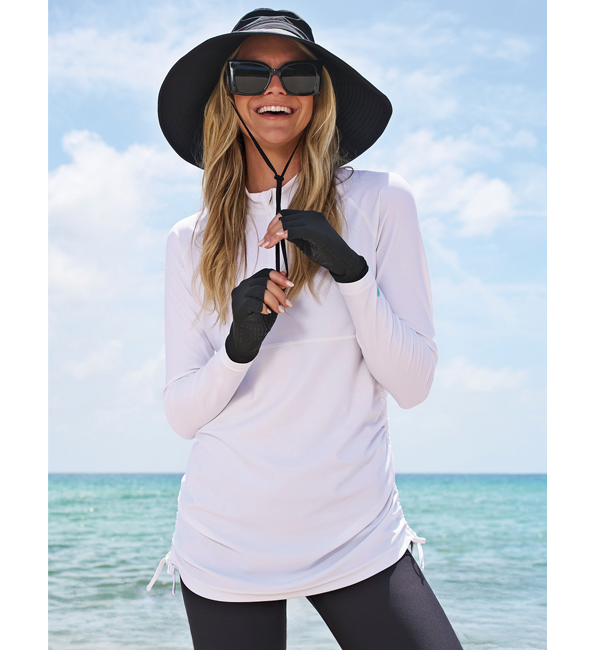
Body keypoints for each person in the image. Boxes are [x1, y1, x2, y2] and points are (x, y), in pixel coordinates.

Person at [147, 8, 463, 650]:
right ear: (226, 94)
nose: (275, 89)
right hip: (226, 543)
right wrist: (237, 348)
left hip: (358, 534)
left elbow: (413, 384)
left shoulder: (381, 200)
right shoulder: (191, 240)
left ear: (320, 95)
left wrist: (351, 271)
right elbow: (182, 414)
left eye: (298, 75)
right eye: (250, 73)